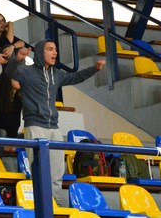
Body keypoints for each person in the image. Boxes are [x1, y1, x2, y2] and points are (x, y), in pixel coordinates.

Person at [8, 39, 105, 206]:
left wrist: (94, 69)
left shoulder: (57, 74)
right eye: (50, 49)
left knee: (57, 171)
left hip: (54, 128)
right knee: (39, 171)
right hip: (35, 126)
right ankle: (40, 204)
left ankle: (56, 203)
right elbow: (10, 72)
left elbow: (76, 77)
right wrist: (17, 59)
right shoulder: (26, 71)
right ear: (40, 52)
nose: (55, 53)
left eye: (55, 50)